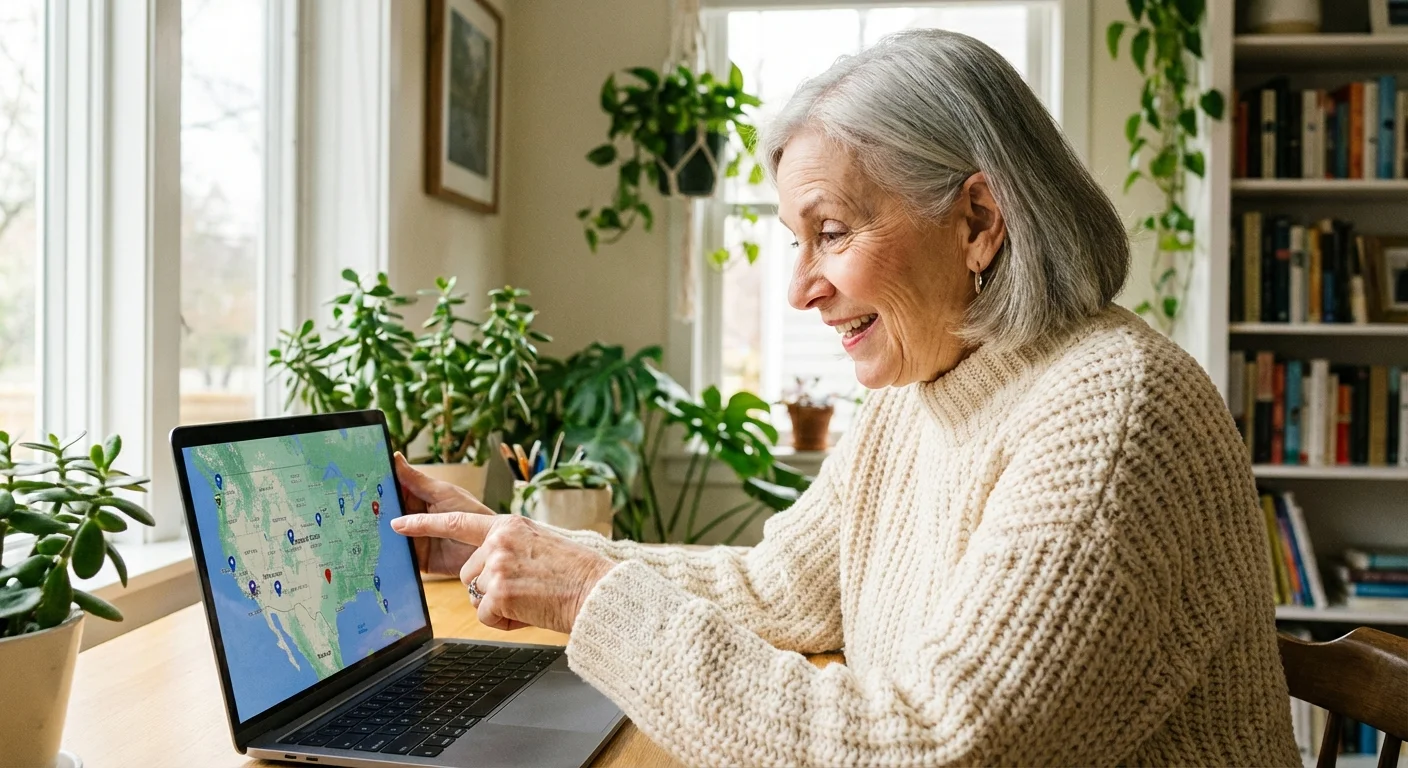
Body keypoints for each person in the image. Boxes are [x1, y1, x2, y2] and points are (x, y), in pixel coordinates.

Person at [391, 29, 1299, 766]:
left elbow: (943, 747)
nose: (800, 289)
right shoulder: (923, 389)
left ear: (979, 221)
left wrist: (595, 598)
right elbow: (773, 589)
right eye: (796, 239)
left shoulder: (1111, 411)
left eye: (830, 232)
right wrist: (525, 549)